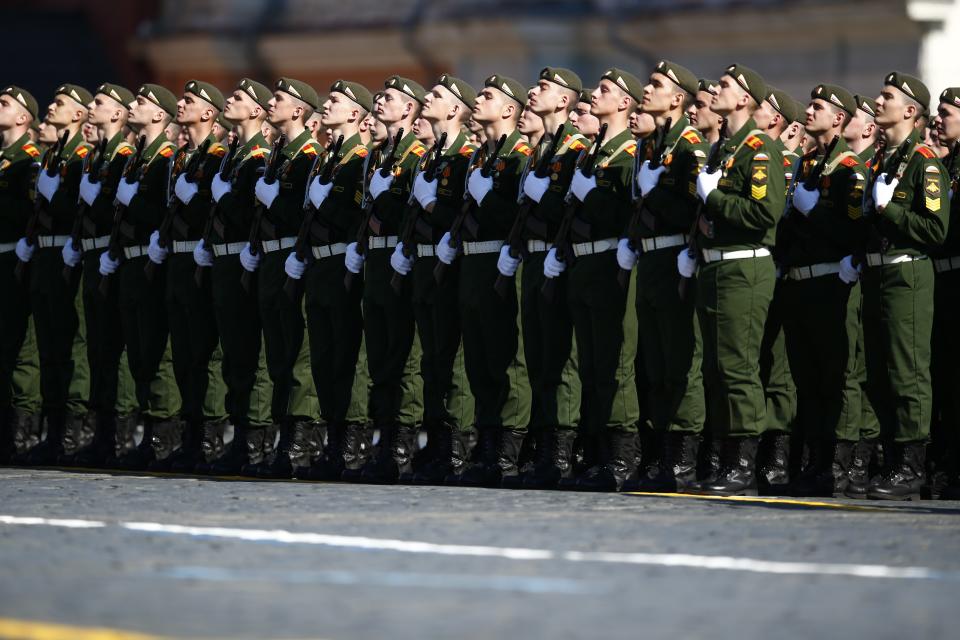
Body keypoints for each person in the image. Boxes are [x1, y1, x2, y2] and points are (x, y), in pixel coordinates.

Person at [680, 64, 785, 496]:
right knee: (716, 367)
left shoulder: (759, 149)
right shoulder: (726, 150)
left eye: (725, 85)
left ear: (744, 99)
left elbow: (764, 214)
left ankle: (742, 463)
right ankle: (725, 459)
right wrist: (708, 218)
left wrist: (715, 199)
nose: (716, 89)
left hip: (744, 267)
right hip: (716, 264)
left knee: (738, 366)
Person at [544, 68, 643, 491]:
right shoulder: (590, 153)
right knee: (590, 365)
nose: (594, 95)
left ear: (624, 103)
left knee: (614, 362)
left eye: (605, 90)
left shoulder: (630, 151)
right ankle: (597, 453)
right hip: (582, 264)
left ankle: (620, 458)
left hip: (609, 264)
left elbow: (623, 213)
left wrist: (591, 195)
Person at [434, 74, 532, 487]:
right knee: (476, 361)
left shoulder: (522, 156)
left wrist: (487, 196)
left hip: (501, 263)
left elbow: (517, 218)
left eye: (488, 96)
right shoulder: (480, 158)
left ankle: (508, 452)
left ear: (509, 109)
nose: (480, 100)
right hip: (472, 265)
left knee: (506, 359)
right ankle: (486, 443)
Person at [856, 72, 949, 500]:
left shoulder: (925, 162)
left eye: (887, 96)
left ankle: (910, 466)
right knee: (877, 372)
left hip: (906, 272)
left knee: (907, 371)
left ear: (910, 111)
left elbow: (933, 230)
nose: (878, 100)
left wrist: (888, 210)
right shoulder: (884, 159)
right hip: (877, 272)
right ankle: (886, 459)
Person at [619, 61, 708, 493]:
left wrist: (656, 193)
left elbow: (693, 209)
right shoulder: (651, 147)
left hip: (676, 258)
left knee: (680, 362)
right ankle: (657, 455)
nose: (646, 91)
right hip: (650, 261)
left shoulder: (689, 145)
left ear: (677, 98)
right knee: (652, 364)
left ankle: (683, 460)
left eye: (656, 85)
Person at [779, 84, 867, 496]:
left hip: (831, 281)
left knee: (837, 375)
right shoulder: (808, 163)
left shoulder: (848, 166)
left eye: (818, 107)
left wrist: (813, 210)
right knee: (806, 377)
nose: (809, 111)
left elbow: (852, 230)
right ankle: (813, 461)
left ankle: (837, 464)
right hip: (800, 282)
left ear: (838, 119)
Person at [285, 80, 374, 481]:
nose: (326, 104)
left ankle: (352, 444)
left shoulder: (360, 157)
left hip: (343, 265)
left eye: (336, 101)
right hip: (318, 265)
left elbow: (351, 216)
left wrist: (327, 202)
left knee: (346, 355)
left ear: (356, 114)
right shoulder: (326, 159)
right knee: (321, 356)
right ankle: (331, 437)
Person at [394, 74, 478, 484]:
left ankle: (457, 445)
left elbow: (464, 217)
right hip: (425, 266)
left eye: (438, 95)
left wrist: (431, 207)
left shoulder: (465, 154)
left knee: (452, 359)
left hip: (450, 266)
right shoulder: (433, 156)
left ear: (454, 109)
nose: (428, 98)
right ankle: (437, 439)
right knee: (430, 359)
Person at [344, 76, 427, 483]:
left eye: (389, 98)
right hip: (374, 264)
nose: (379, 102)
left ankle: (403, 442)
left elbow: (412, 212)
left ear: (409, 109)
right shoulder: (377, 157)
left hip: (399, 260)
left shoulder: (416, 156)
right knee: (378, 355)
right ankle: (386, 431)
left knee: (404, 355)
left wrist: (383, 208)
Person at [145, 80, 229, 472]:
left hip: (201, 262)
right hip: (176, 263)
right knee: (181, 354)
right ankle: (190, 433)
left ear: (209, 113)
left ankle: (209, 439)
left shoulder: (217, 157)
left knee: (203, 352)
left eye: (190, 101)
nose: (181, 104)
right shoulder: (183, 158)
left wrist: (192, 198)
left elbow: (214, 215)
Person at [243, 77, 324, 478]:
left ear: (298, 110)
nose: (269, 104)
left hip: (295, 258)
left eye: (278, 99)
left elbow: (305, 215)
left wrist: (277, 201)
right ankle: (282, 434)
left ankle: (300, 440)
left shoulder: (309, 154)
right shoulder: (278, 154)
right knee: (276, 352)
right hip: (272, 260)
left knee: (297, 353)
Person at [511, 67, 588, 489]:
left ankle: (561, 450)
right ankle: (543, 446)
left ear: (563, 101)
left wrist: (551, 199)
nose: (533, 92)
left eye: (543, 87)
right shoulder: (544, 151)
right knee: (539, 358)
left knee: (562, 360)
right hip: (535, 260)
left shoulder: (574, 149)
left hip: (560, 261)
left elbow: (577, 212)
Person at [99, 84, 183, 469]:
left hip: (152, 265)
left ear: (157, 115)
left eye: (142, 102)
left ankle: (164, 438)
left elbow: (161, 215)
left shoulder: (165, 158)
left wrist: (136, 203)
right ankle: (148, 435)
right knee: (137, 353)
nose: (134, 105)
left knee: (155, 351)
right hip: (130, 263)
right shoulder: (137, 160)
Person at [197, 78, 277, 475]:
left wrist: (224, 196)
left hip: (246, 263)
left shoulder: (258, 156)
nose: (230, 100)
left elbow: (247, 215)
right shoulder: (232, 155)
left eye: (240, 98)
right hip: (224, 262)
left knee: (250, 352)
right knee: (232, 354)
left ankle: (256, 439)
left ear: (258, 111)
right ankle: (241, 432)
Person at [14, 84, 95, 464]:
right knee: (47, 345)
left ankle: (74, 431)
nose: (50, 107)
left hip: (68, 255)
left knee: (72, 344)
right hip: (45, 255)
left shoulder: (81, 156)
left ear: (78, 115)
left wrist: (56, 196)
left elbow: (76, 210)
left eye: (60, 103)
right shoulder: (55, 157)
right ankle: (52, 427)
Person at [0, 85, 40, 463]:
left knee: (20, 347)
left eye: (5, 104)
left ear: (23, 118)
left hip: (15, 257)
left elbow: (30, 213)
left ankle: (22, 431)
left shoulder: (28, 159)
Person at [932, 87, 960, 499]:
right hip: (943, 277)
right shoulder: (948, 162)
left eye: (945, 112)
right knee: (946, 377)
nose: (938, 119)